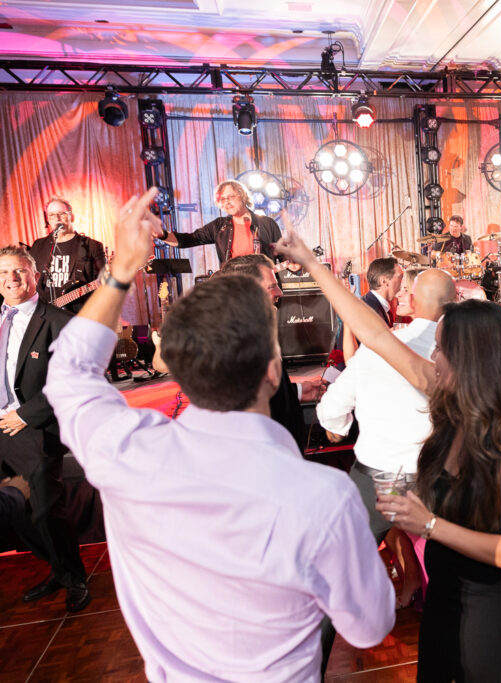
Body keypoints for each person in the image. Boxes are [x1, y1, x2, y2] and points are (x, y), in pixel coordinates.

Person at [45, 189, 395, 680]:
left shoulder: (127, 453)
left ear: (179, 370)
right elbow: (369, 626)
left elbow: (69, 371)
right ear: (274, 371)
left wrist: (121, 270)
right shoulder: (326, 497)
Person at [276, 230, 501, 682]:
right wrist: (311, 264)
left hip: (486, 602)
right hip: (443, 594)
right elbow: (373, 333)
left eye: (442, 348)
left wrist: (428, 525)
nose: (432, 355)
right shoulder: (449, 395)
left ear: (470, 358)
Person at [317, 268, 456, 608]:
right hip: (436, 477)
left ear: (410, 300)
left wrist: (341, 423)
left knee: (337, 571)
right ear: (455, 303)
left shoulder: (380, 347)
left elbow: (329, 412)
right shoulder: (459, 355)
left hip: (378, 479)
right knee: (461, 571)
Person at [0, 246, 90, 613]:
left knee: (46, 510)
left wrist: (27, 415)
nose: (12, 279)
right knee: (13, 510)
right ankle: (56, 566)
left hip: (31, 428)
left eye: (20, 271)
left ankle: (73, 577)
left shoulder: (58, 321)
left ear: (35, 276)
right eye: (5, 272)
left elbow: (74, 380)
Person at [218, 254, 327, 450]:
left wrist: (299, 391)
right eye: (271, 287)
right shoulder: (235, 341)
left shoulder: (253, 328)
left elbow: (265, 391)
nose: (280, 293)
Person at [155, 180, 282, 264]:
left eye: (230, 197)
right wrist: (162, 235)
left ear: (242, 196)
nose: (226, 202)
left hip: (264, 291)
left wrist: (295, 264)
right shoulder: (219, 226)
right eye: (222, 200)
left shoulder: (266, 224)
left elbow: (283, 255)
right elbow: (187, 240)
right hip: (233, 291)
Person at [29, 196, 106, 312]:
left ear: (72, 216)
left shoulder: (91, 246)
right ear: (48, 220)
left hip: (79, 314)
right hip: (43, 313)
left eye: (62, 214)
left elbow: (103, 283)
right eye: (52, 215)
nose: (57, 219)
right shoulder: (38, 245)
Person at [336, 256, 404, 361]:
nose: (402, 283)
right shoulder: (368, 310)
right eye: (400, 277)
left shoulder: (374, 304)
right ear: (385, 281)